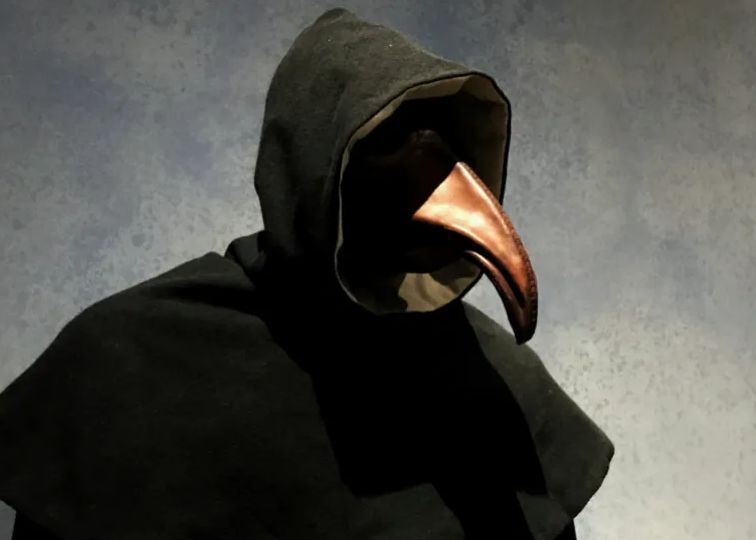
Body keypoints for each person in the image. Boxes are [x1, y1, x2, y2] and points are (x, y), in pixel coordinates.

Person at [0, 8, 613, 539]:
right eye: (390, 138)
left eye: (450, 142)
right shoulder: (131, 358)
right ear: (312, 161)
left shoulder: (491, 379)